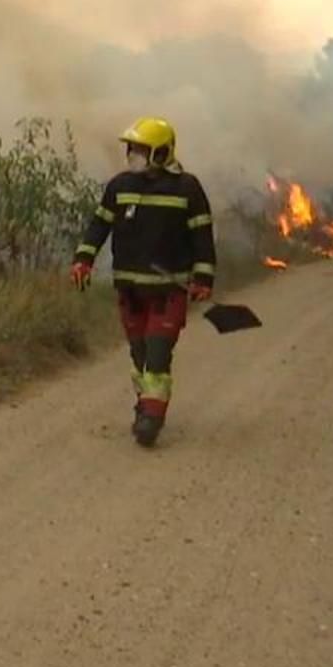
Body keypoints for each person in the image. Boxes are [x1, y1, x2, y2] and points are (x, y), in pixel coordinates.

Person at [69, 117, 217, 447]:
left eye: (141, 149)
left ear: (162, 153)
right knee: (139, 355)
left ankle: (152, 418)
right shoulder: (119, 186)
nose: (133, 154)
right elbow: (98, 226)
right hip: (130, 290)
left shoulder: (187, 189)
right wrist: (83, 259)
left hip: (169, 290)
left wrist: (204, 277)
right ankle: (144, 404)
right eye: (131, 148)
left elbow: (202, 237)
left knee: (158, 353)